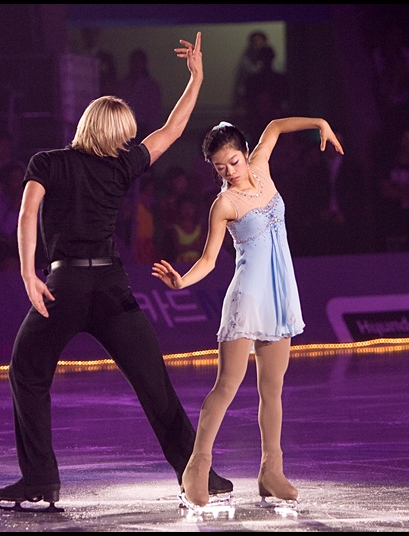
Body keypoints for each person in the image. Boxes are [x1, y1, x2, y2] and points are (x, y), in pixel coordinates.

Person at [0, 32, 234, 510]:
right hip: (110, 287)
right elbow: (172, 129)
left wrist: (28, 274)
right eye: (124, 130)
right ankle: (199, 475)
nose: (130, 138)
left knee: (27, 370)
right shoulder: (121, 166)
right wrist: (197, 78)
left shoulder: (48, 162)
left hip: (63, 284)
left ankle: (40, 479)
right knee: (153, 382)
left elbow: (26, 216)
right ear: (109, 130)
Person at [151, 117, 343, 508]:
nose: (230, 172)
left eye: (234, 162)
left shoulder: (262, 168)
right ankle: (197, 467)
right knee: (227, 386)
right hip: (247, 298)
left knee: (272, 391)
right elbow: (208, 260)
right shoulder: (223, 204)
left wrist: (320, 123)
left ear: (244, 152)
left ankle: (271, 471)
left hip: (278, 295)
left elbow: (274, 126)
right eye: (220, 167)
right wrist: (182, 283)